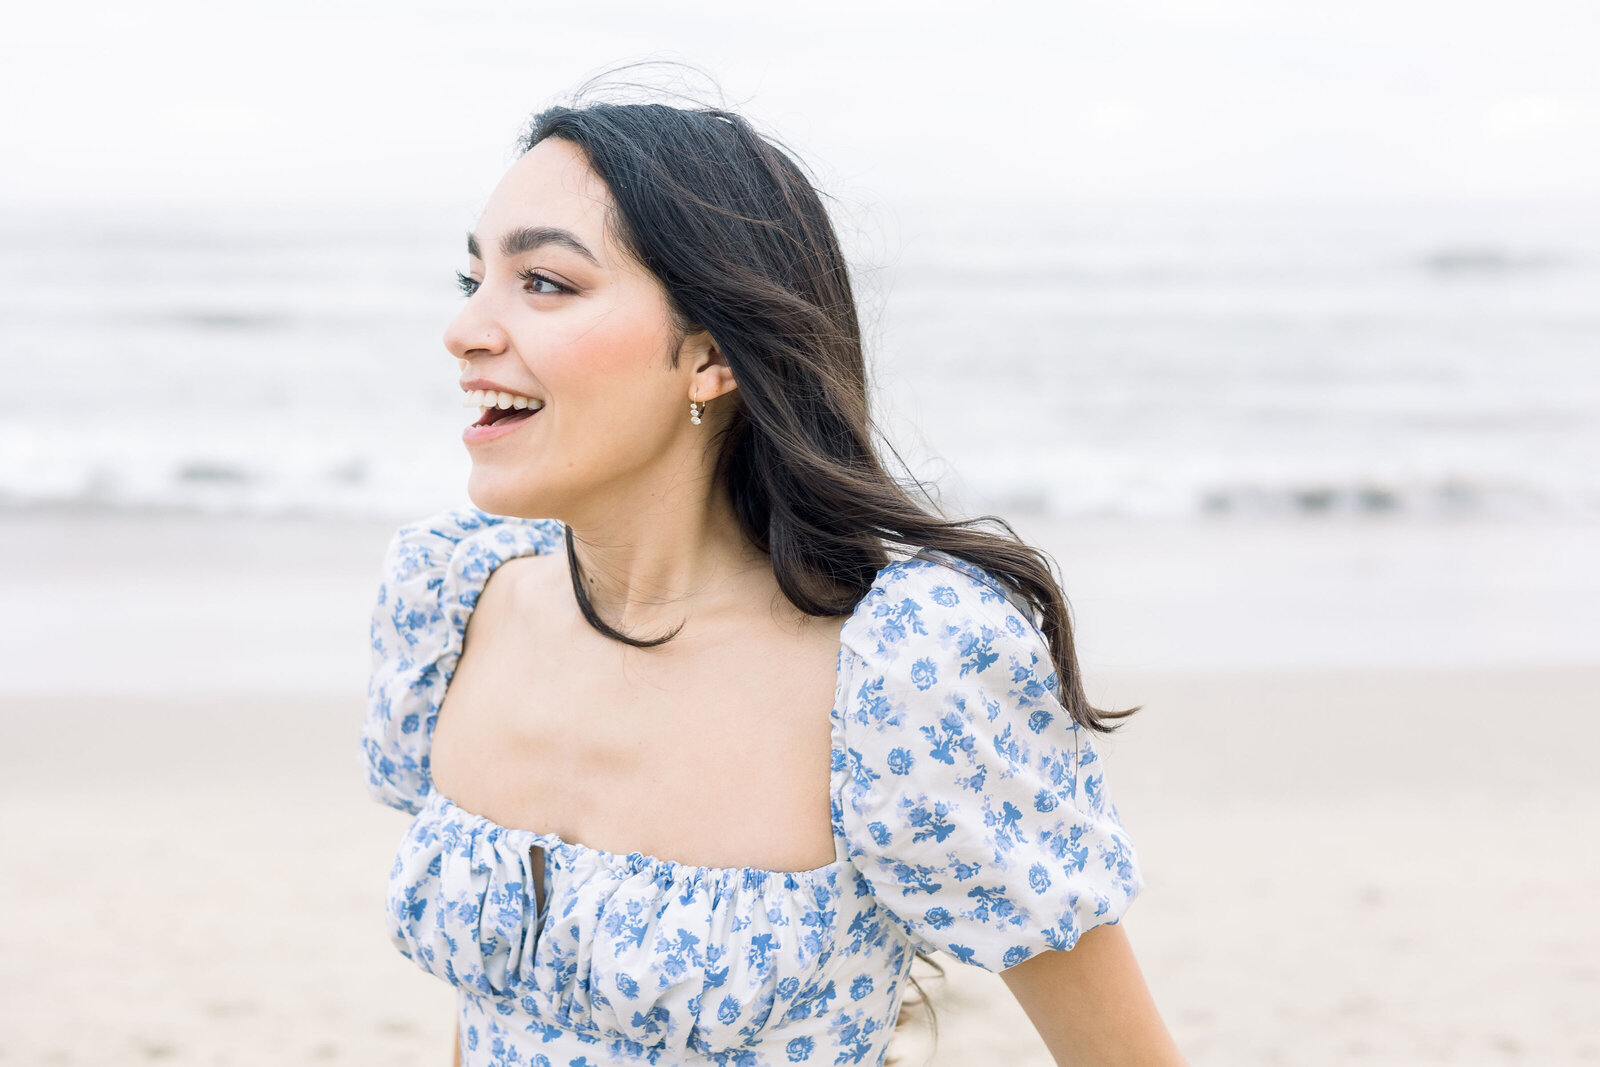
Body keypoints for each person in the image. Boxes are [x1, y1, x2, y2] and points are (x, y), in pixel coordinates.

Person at [360, 85, 1187, 1066]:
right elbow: (489, 1008)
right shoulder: (457, 601)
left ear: (709, 355)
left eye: (543, 282)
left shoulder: (898, 673)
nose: (467, 330)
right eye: (473, 280)